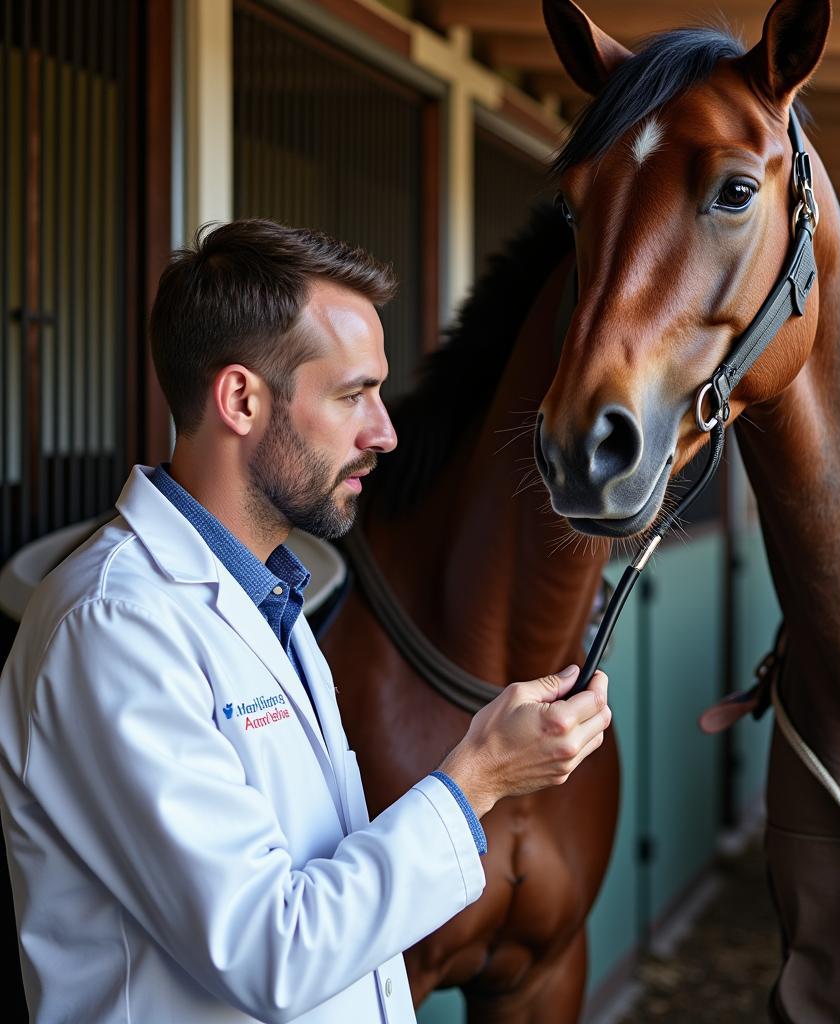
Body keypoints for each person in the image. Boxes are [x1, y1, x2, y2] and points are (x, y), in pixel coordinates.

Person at [0, 220, 612, 1023]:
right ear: (242, 399)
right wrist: (480, 777)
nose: (385, 432)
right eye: (353, 394)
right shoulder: (112, 627)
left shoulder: (270, 598)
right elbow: (275, 953)